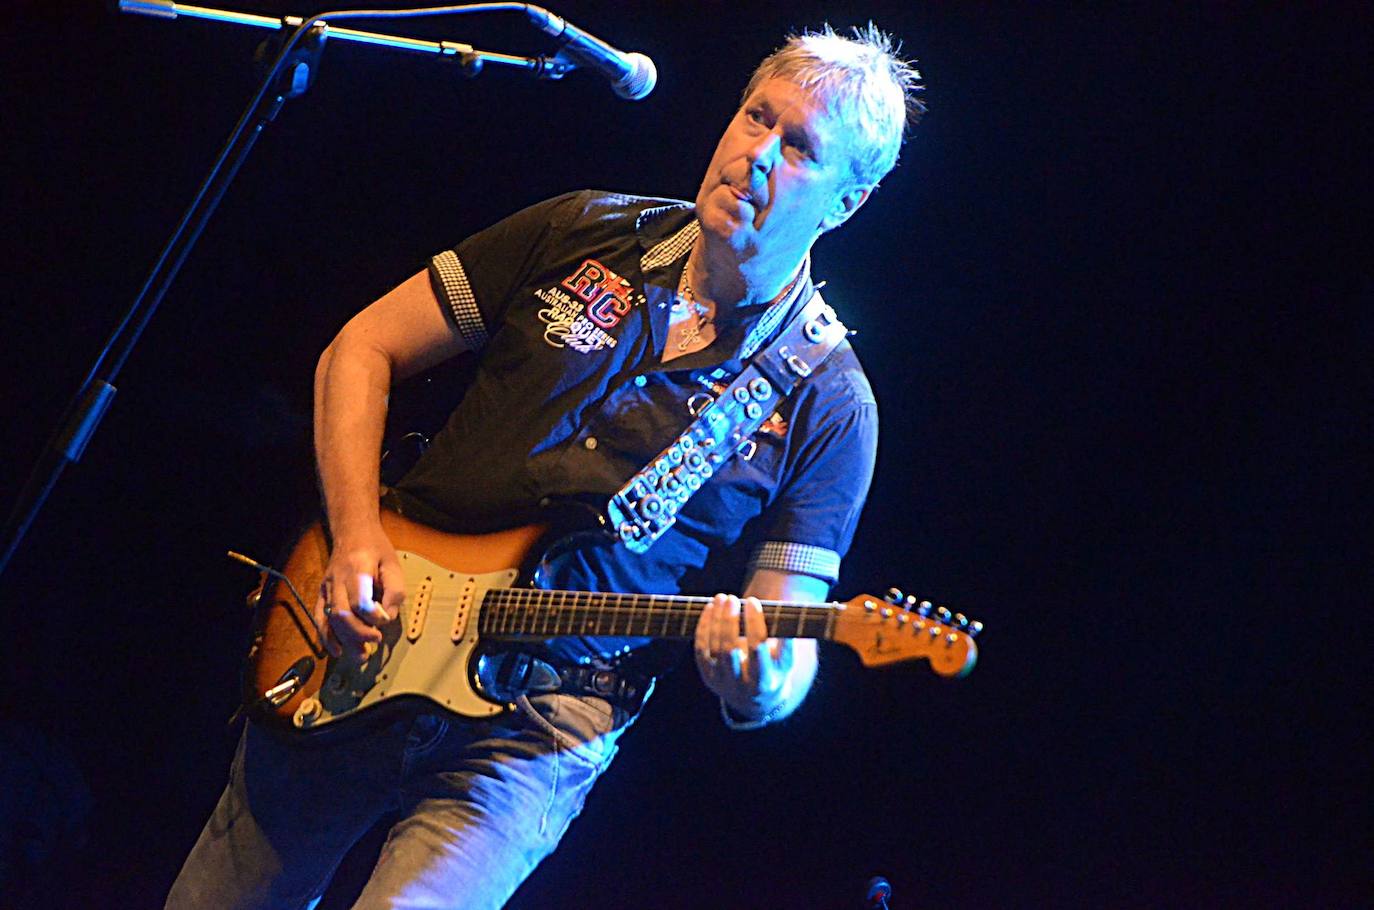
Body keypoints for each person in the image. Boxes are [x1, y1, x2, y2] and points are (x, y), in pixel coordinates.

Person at [167, 23, 923, 910]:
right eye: (757, 117)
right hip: (375, 623)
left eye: (798, 148)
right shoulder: (583, 229)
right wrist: (356, 536)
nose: (757, 153)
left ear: (848, 202)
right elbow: (360, 350)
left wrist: (756, 680)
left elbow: (783, 642)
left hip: (542, 727)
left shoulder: (830, 402)